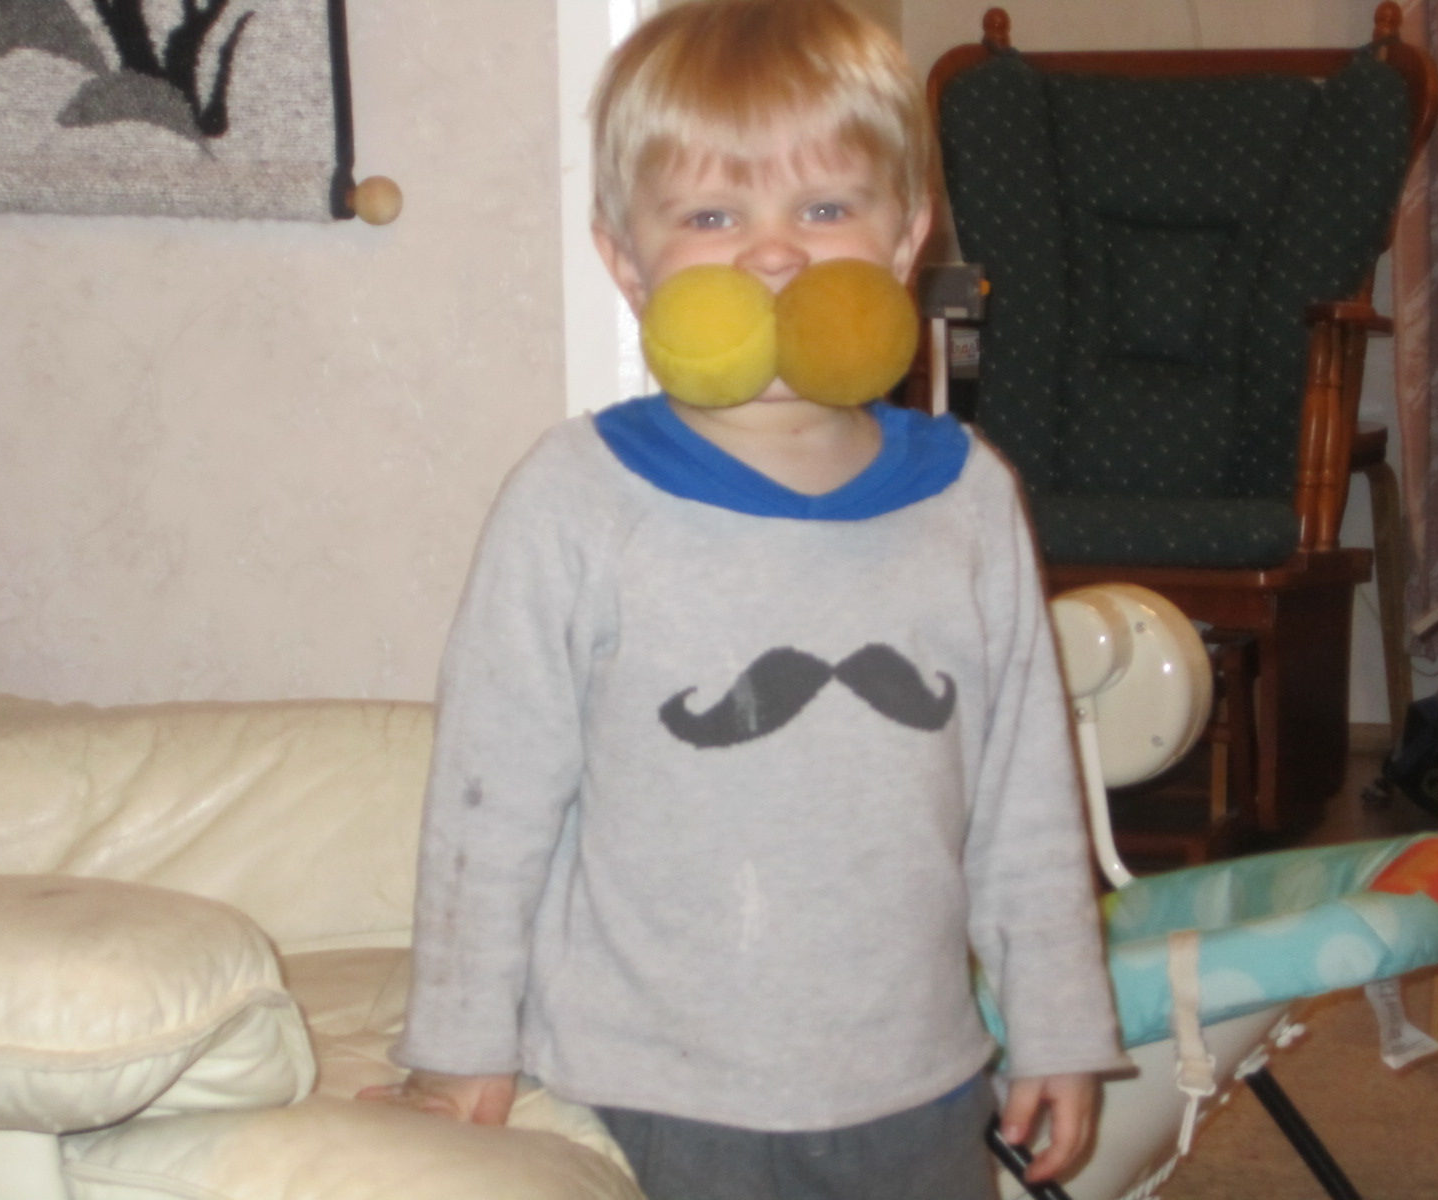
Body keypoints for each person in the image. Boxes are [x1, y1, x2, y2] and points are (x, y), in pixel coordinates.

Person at [364, 2, 1127, 1197]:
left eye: (822, 209)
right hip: (644, 1093)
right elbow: (490, 792)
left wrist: (1059, 1024)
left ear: (904, 239)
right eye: (712, 217)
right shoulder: (576, 497)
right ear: (627, 263)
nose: (774, 256)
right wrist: (459, 1044)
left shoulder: (970, 497)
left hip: (917, 1084)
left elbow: (1024, 794)